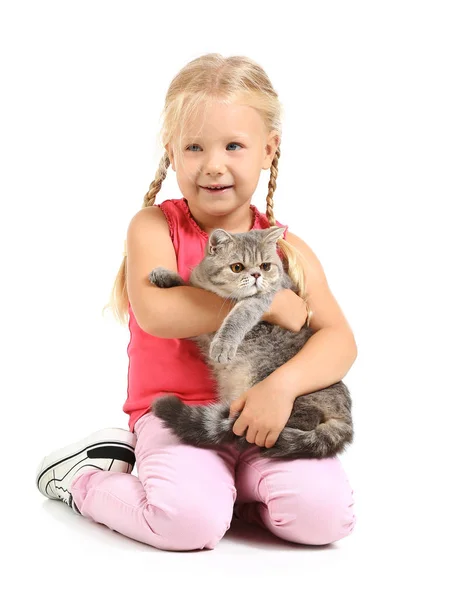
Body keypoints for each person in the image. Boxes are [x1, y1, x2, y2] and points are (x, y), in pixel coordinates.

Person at [36, 53, 357, 551]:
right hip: (178, 414)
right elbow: (159, 313)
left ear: (268, 150)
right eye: (194, 146)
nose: (213, 164)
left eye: (234, 145)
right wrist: (265, 305)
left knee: (325, 521)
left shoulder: (285, 250)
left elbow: (340, 342)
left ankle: (236, 493)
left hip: (264, 414)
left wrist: (282, 387)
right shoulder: (155, 228)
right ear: (171, 151)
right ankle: (81, 480)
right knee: (186, 524)